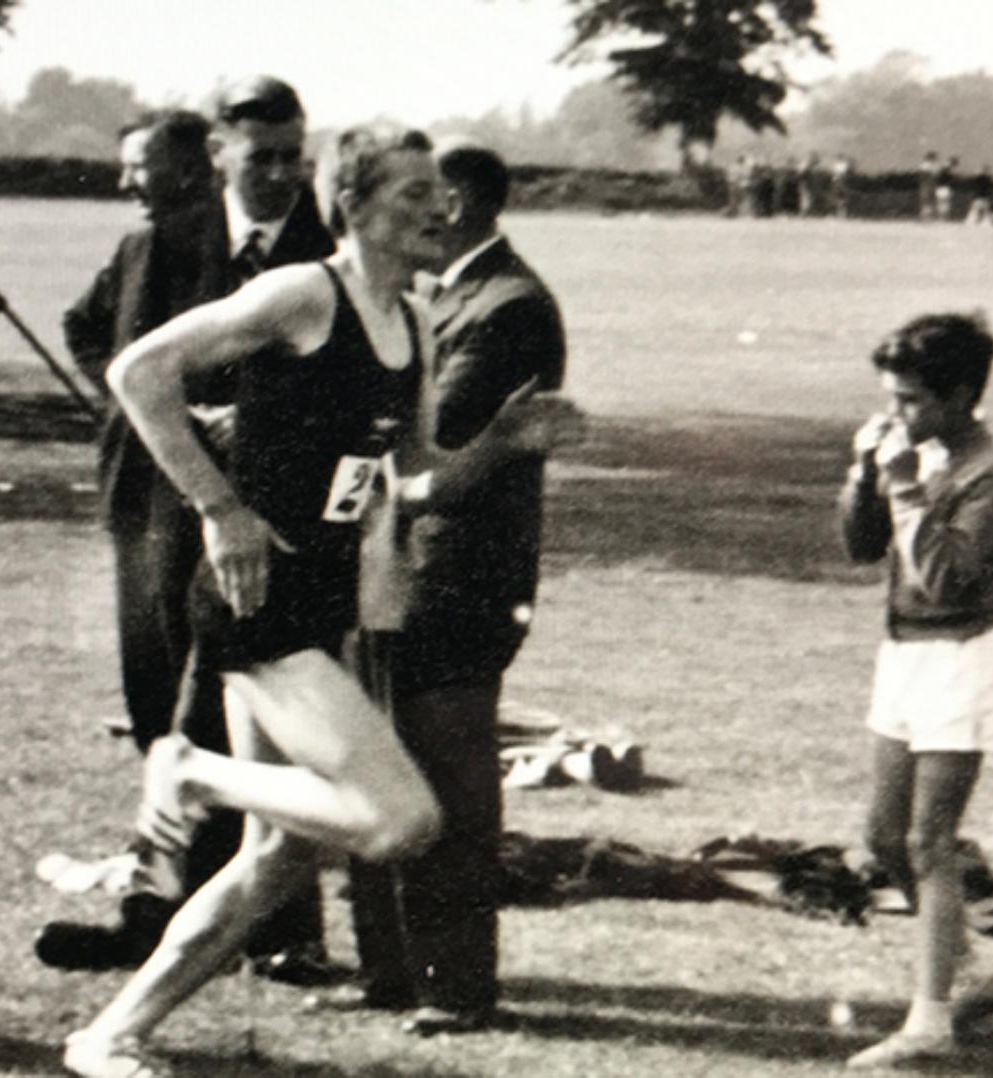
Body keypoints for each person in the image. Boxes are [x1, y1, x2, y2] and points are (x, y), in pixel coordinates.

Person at [55, 123, 451, 1078]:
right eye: (413, 195)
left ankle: (109, 1037)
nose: (438, 209)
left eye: (438, 193)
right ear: (352, 203)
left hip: (319, 601)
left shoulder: (419, 319)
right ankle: (189, 772)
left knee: (274, 859)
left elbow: (413, 476)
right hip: (253, 597)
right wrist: (218, 504)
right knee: (400, 820)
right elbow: (136, 372)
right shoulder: (303, 293)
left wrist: (509, 441)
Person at [40, 79, 337, 983]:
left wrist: (266, 428)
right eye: (262, 157)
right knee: (158, 705)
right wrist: (157, 419)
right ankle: (167, 912)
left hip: (278, 524)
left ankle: (281, 930)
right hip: (159, 514)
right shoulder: (158, 247)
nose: (283, 174)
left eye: (295, 155)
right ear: (220, 156)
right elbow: (93, 334)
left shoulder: (330, 260)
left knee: (266, 720)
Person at [330, 141, 570, 1037]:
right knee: (379, 763)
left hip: (458, 577)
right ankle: (389, 970)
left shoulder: (507, 307)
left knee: (452, 785)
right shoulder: (439, 298)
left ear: (459, 201)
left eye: (432, 196)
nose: (424, 213)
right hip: (402, 564)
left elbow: (432, 440)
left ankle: (456, 986)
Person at [838, 314, 993, 1069]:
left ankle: (930, 1020)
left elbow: (945, 579)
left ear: (959, 395)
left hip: (964, 655)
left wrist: (908, 485)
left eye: (912, 400)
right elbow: (860, 548)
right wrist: (862, 475)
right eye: (890, 398)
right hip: (907, 652)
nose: (897, 414)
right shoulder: (914, 443)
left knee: (929, 840)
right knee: (885, 835)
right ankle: (971, 972)